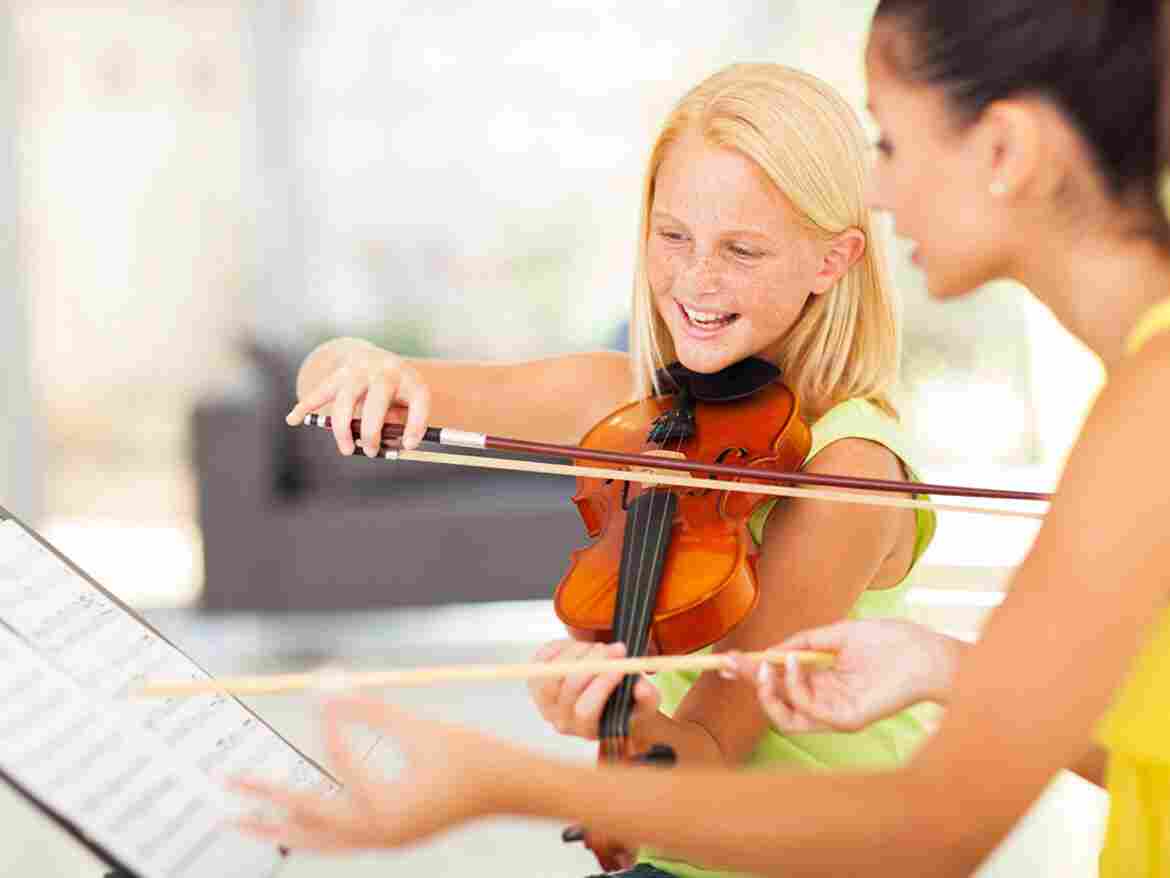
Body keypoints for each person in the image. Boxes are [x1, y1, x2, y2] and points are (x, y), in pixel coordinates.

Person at [231, 1, 1170, 874]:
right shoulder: (1136, 393)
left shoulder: (1128, 414)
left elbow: (935, 823)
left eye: (889, 142)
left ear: (1004, 148)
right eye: (673, 235)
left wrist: (498, 783)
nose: (877, 189)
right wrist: (942, 667)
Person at [281, 61, 936, 875]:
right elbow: (326, 374)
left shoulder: (849, 470)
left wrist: (612, 723)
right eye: (673, 236)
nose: (696, 279)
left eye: (742, 249)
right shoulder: (631, 404)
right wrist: (360, 369)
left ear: (833, 262)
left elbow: (706, 754)